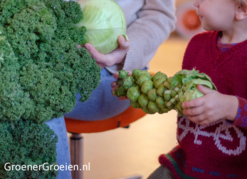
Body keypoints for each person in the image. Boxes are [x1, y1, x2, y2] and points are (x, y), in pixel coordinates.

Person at [113, 0, 247, 178]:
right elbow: (180, 95)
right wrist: (144, 88)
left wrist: (232, 107)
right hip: (184, 166)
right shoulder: (197, 44)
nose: (195, 2)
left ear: (241, 9)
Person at [50, 0, 176, 178]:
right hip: (45, 58)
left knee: (31, 97)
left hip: (111, 73)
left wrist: (126, 53)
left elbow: (160, 14)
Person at [64, 0, 176, 121]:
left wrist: (126, 52)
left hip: (112, 69)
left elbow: (160, 15)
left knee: (44, 94)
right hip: (51, 58)